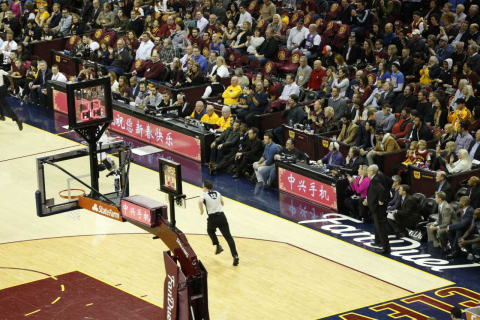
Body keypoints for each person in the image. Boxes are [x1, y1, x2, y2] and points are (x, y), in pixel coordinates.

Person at [198, 180, 239, 266]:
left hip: (212, 218)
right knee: (228, 237)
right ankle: (235, 256)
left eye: (203, 186)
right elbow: (222, 203)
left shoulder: (203, 195)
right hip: (222, 217)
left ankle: (217, 245)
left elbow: (200, 201)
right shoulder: (217, 192)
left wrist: (201, 210)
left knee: (210, 231)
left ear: (205, 187)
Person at [363, 165, 390, 253]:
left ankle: (386, 248)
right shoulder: (379, 176)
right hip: (377, 206)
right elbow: (390, 181)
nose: (367, 172)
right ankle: (378, 242)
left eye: (368, 170)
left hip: (378, 208)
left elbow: (382, 190)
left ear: (372, 171)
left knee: (381, 227)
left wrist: (381, 200)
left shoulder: (374, 180)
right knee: (378, 226)